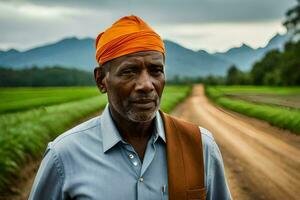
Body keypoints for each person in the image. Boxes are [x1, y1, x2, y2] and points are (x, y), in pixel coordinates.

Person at [29, 15, 231, 200]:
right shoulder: (64, 155)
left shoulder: (200, 146)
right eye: (129, 71)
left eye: (155, 70)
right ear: (101, 80)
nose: (146, 85)